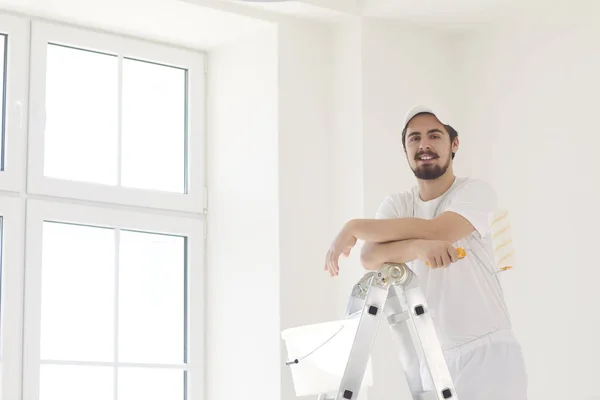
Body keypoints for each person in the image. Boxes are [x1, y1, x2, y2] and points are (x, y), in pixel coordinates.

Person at [324, 105, 528, 400]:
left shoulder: (475, 193)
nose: (424, 145)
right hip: (434, 359)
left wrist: (355, 226)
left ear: (453, 144)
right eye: (414, 138)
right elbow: (370, 257)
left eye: (434, 136)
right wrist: (416, 247)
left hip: (489, 356)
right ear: (406, 150)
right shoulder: (398, 204)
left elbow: (439, 231)